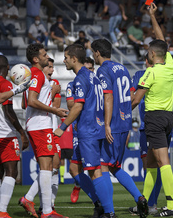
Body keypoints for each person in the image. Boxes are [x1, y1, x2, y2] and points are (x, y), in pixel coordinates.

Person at [131, 3, 173, 217]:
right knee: (151, 164)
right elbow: (162, 41)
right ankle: (143, 204)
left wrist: (116, 109)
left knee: (162, 162)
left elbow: (135, 101)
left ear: (152, 54)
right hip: (167, 117)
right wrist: (153, 16)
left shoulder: (150, 73)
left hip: (153, 119)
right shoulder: (169, 67)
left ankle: (172, 205)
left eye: (148, 51)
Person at [54, 44, 114, 218]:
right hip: (95, 127)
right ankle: (101, 205)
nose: (64, 60)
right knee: (75, 168)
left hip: (88, 130)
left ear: (74, 58)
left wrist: (62, 127)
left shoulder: (81, 78)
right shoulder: (92, 76)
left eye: (66, 57)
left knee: (95, 172)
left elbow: (77, 106)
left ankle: (108, 211)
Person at [92, 38, 149, 218]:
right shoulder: (122, 68)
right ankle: (139, 198)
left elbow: (108, 97)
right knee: (115, 166)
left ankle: (109, 212)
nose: (92, 55)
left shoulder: (103, 70)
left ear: (97, 53)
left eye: (93, 52)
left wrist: (107, 124)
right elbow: (130, 95)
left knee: (102, 167)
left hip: (113, 124)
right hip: (124, 123)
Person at [18, 43, 68, 218]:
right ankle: (46, 211)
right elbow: (31, 101)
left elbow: (26, 102)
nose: (47, 57)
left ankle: (39, 204)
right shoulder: (38, 74)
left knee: (48, 167)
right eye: (44, 54)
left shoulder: (34, 75)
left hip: (37, 124)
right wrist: (54, 109)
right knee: (48, 168)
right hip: (41, 125)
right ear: (35, 59)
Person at [0, 55, 29, 218]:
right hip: (5, 134)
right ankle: (2, 210)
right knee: (11, 171)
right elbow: (8, 112)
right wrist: (22, 132)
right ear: (8, 68)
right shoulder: (4, 84)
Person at [65, 58, 98, 207]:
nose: (89, 71)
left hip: (95, 129)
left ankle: (100, 203)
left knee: (96, 169)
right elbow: (71, 103)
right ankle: (81, 186)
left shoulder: (97, 83)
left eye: (91, 69)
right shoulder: (72, 84)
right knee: (74, 169)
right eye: (87, 68)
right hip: (80, 130)